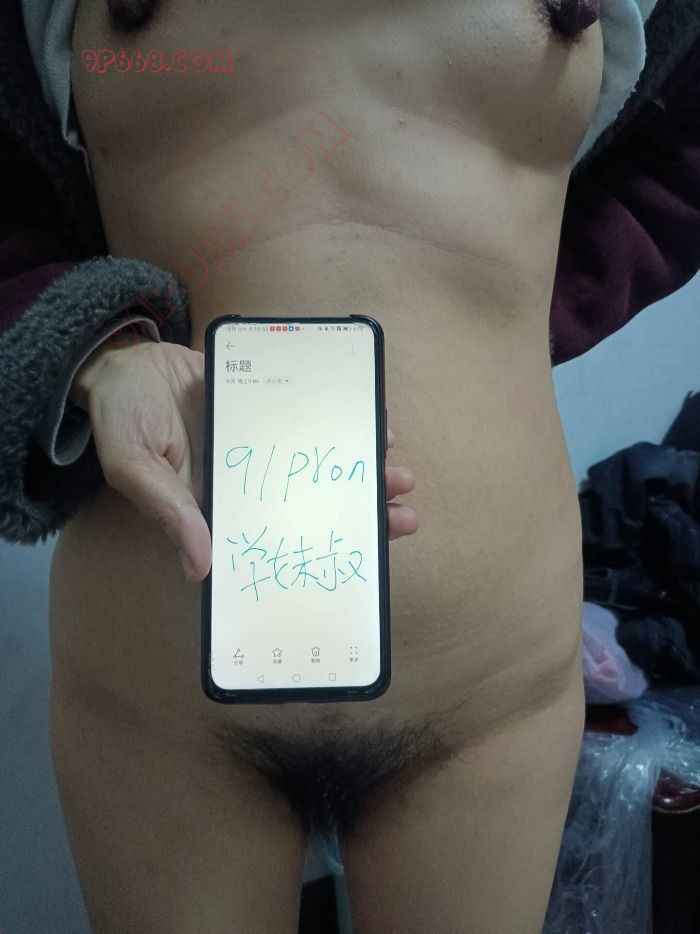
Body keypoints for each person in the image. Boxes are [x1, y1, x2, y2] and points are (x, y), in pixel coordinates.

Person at [1, 0, 698, 931]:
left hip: (490, 692)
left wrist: (505, 314)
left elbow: (683, 155)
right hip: (159, 693)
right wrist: (95, 351)